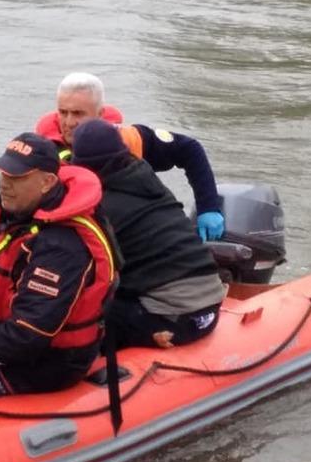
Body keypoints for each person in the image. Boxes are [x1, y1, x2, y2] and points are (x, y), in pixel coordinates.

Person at [0, 133, 116, 402]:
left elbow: (26, 337)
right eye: (3, 174)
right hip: (2, 326)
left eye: (16, 178)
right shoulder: (17, 213)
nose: (4, 185)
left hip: (46, 361)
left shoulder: (61, 247)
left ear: (47, 182)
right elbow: (1, 260)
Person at [71, 119, 225, 349]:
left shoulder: (101, 209)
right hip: (211, 306)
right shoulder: (145, 178)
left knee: (74, 316)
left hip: (173, 321)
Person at [34, 72, 226, 242]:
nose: (68, 122)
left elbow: (189, 150)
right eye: (63, 112)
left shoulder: (128, 140)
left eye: (78, 114)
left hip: (128, 236)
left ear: (100, 114)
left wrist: (208, 206)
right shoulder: (42, 151)